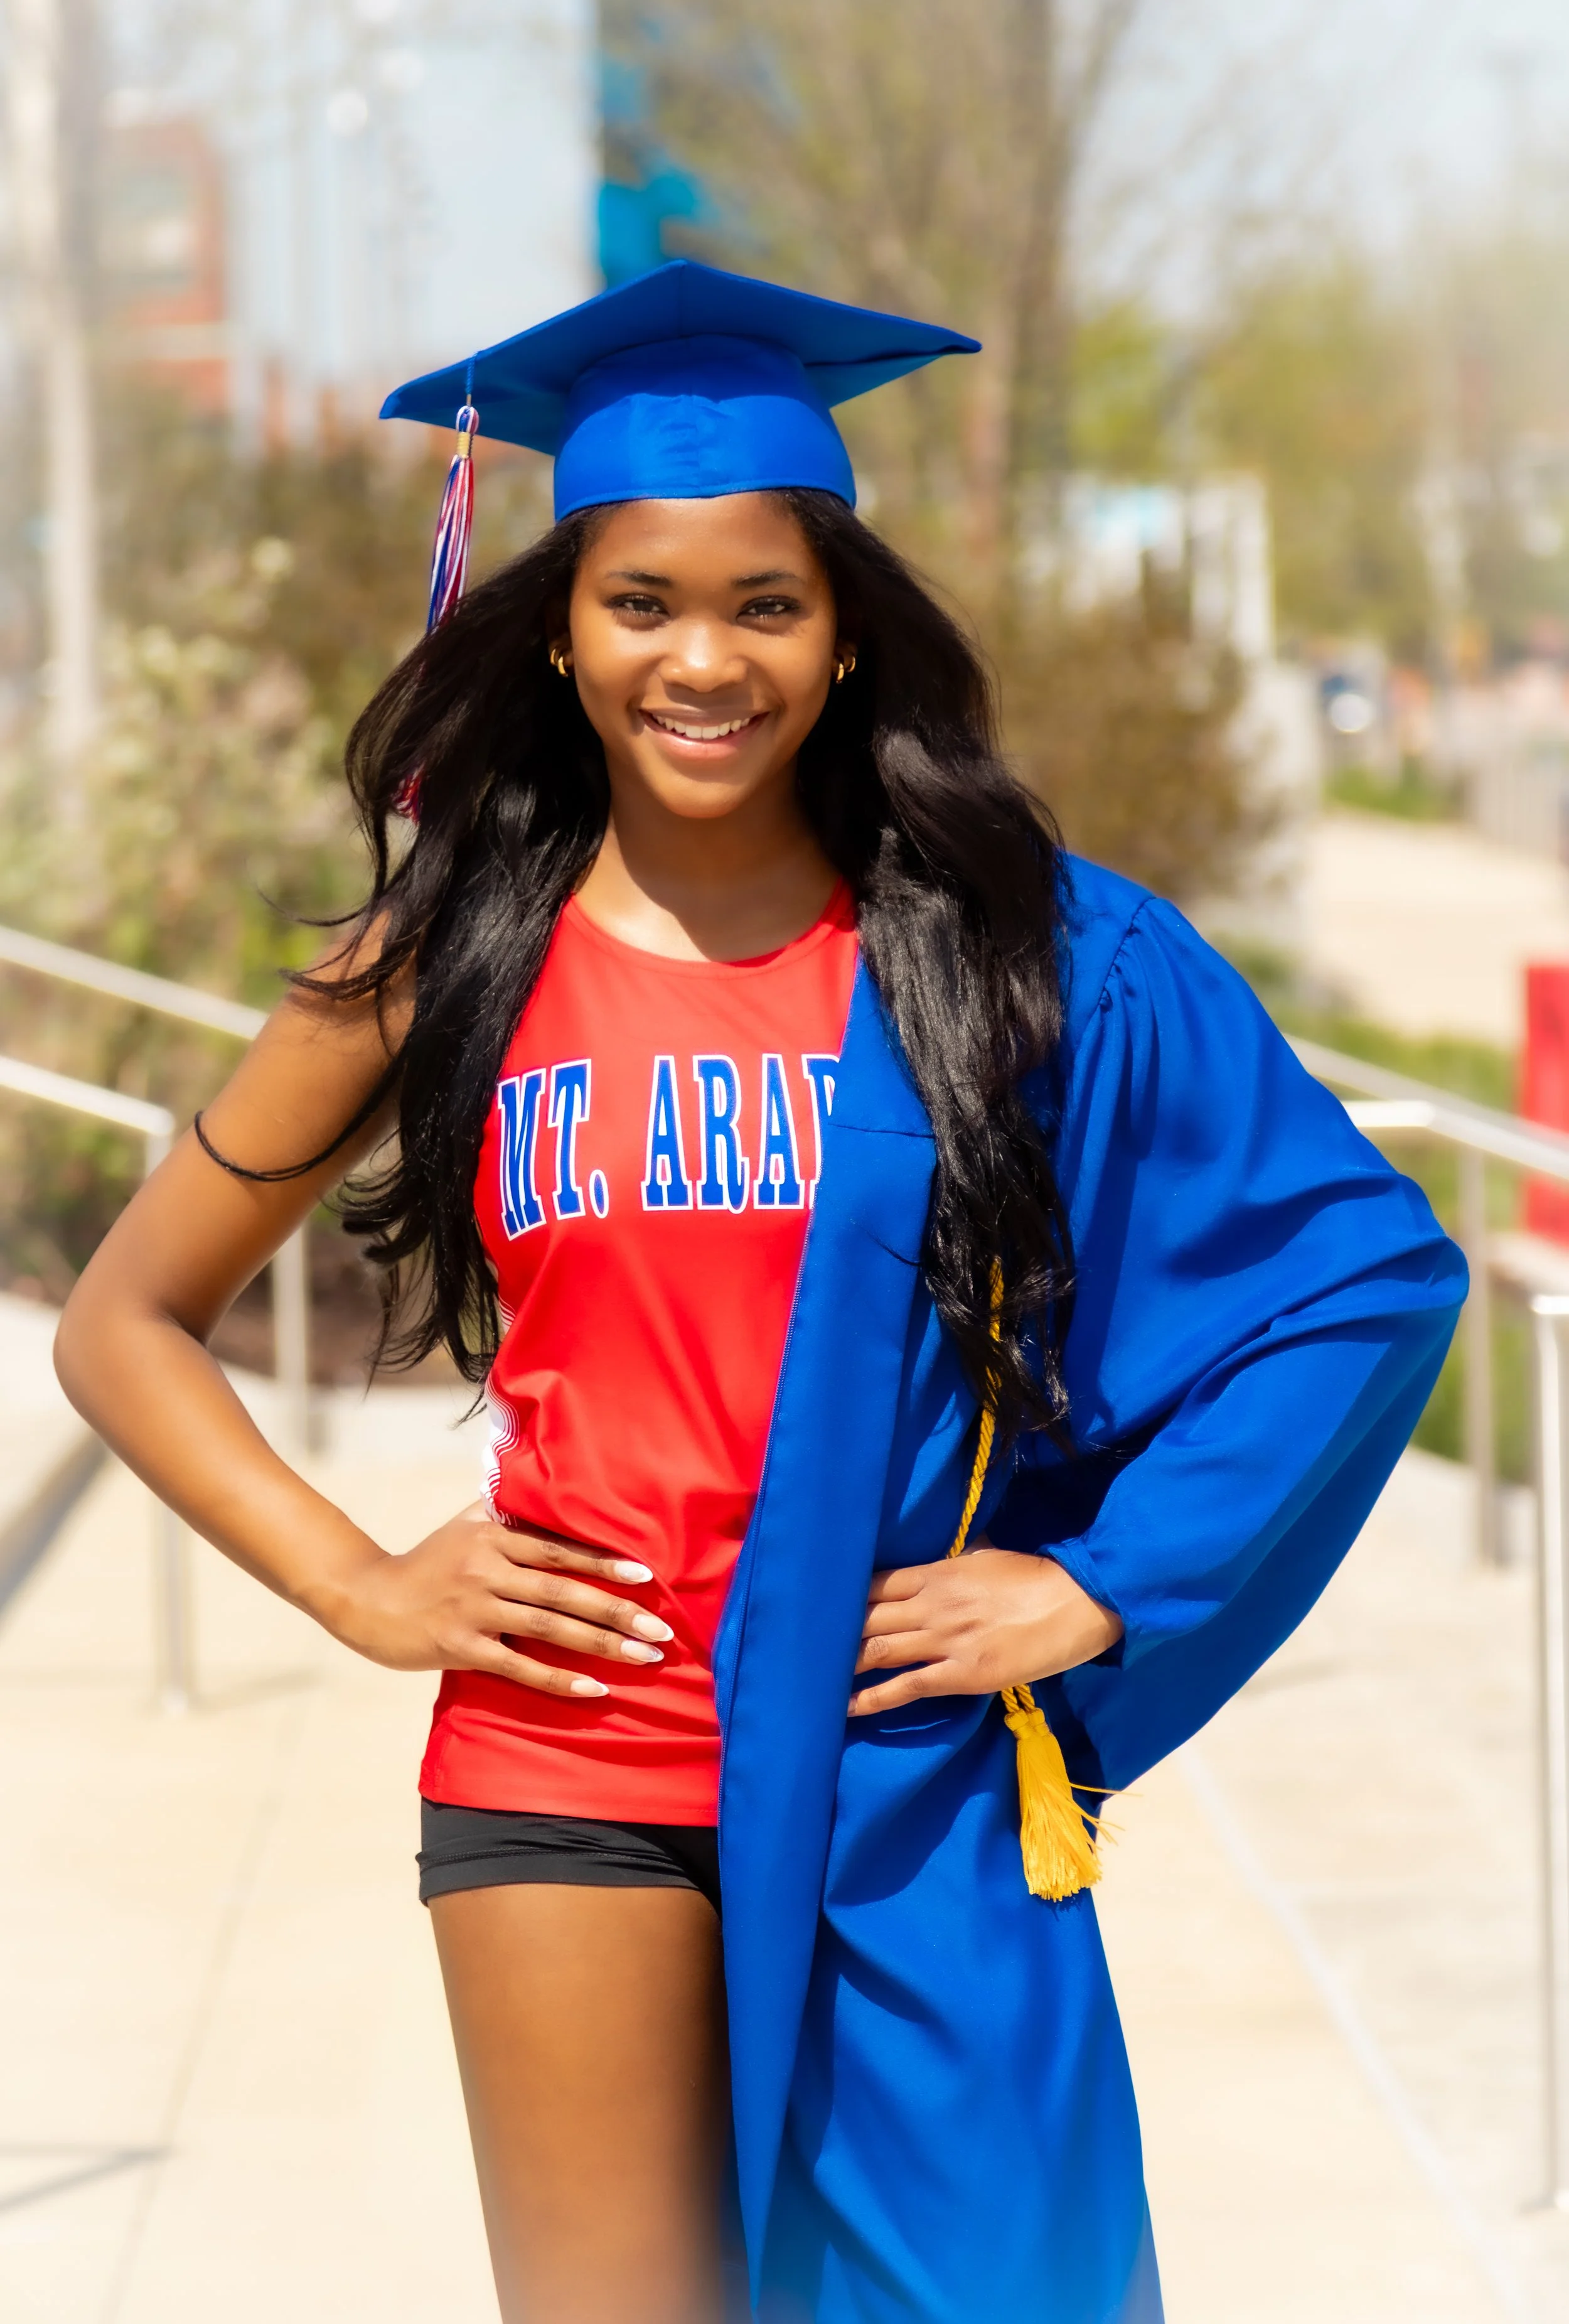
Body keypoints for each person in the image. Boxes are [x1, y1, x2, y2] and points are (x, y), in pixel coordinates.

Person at [55, 259, 1467, 2324]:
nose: (699, 658)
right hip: (570, 1770)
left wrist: (1100, 1586)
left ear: (840, 638)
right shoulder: (439, 955)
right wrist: (360, 1583)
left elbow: (1352, 1281)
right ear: (557, 627)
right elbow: (120, 1322)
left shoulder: (1017, 949)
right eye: (642, 602)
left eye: (763, 606)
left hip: (904, 1775)